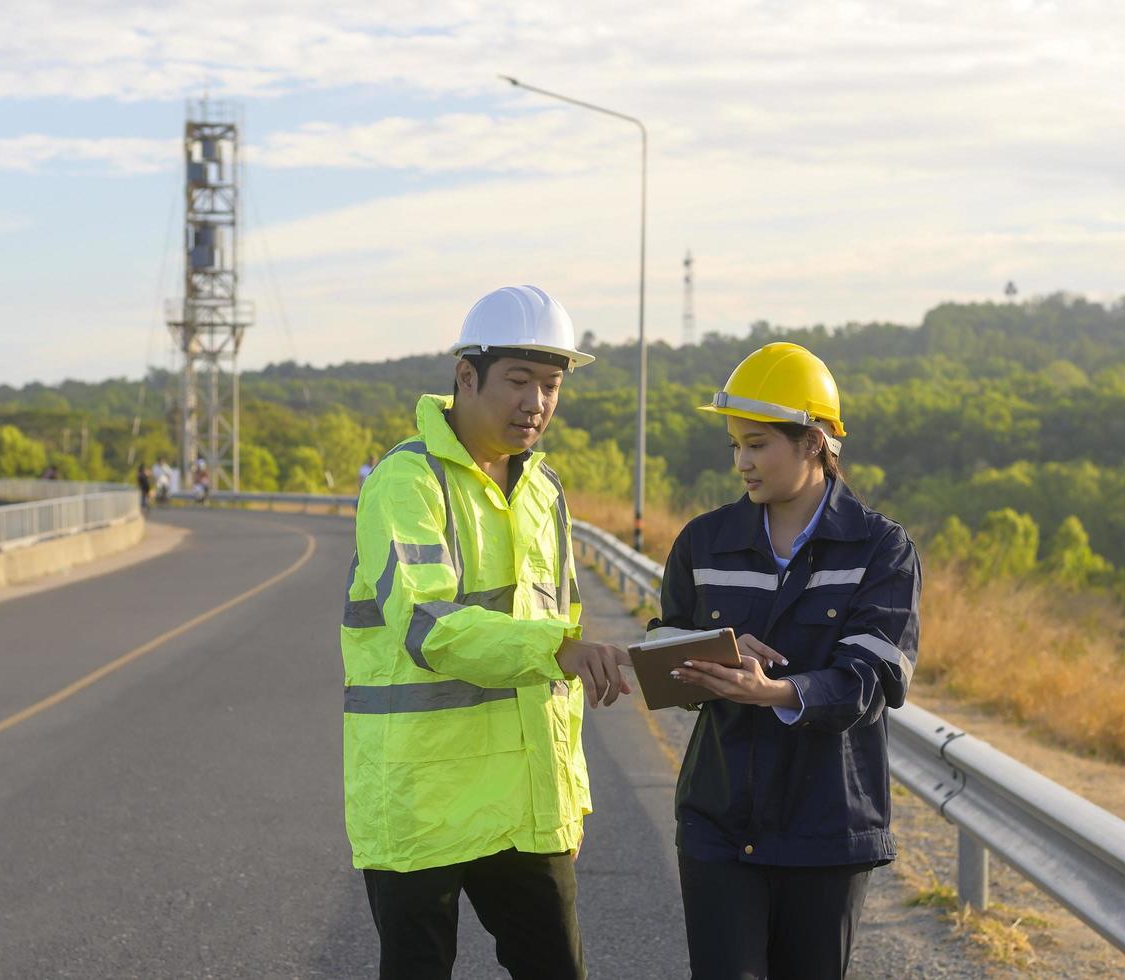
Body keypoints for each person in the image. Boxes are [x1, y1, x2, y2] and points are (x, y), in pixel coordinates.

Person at [341, 285, 633, 980]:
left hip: (526, 801)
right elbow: (428, 626)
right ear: (466, 376)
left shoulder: (546, 491)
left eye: (552, 385)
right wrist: (560, 653)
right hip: (423, 798)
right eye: (519, 381)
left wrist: (568, 794)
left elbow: (559, 623)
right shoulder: (405, 484)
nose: (537, 402)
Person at [647, 342, 921, 980]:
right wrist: (704, 658)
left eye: (758, 444)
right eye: (735, 445)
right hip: (719, 823)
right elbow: (666, 663)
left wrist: (778, 692)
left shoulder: (881, 549)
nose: (742, 462)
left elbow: (875, 678)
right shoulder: (704, 543)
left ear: (815, 442)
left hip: (827, 829)